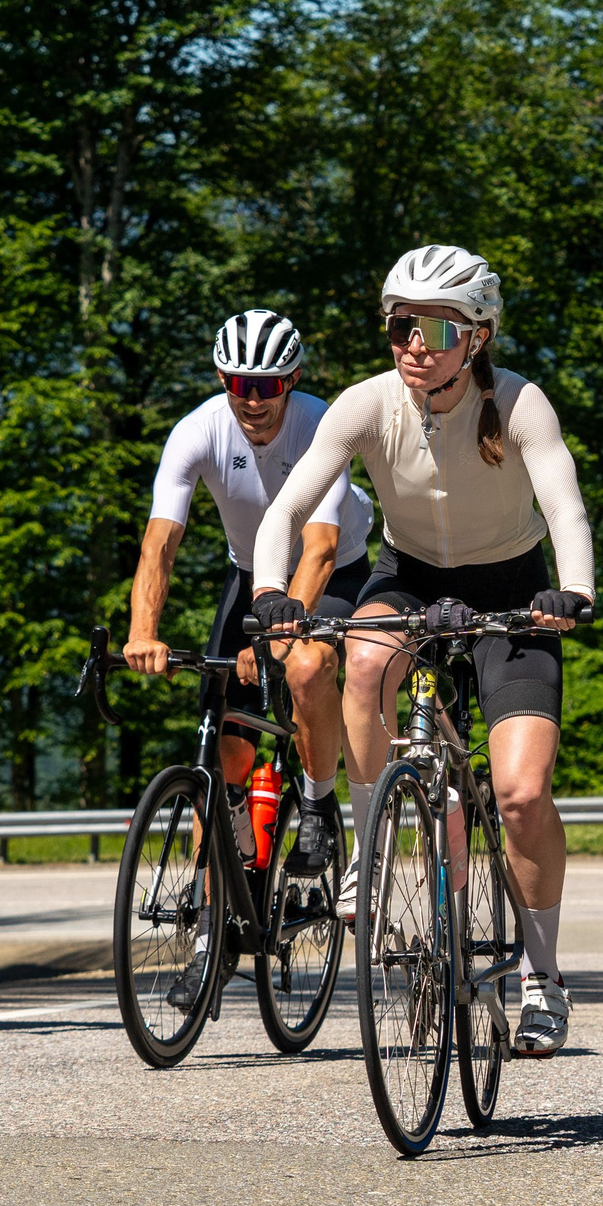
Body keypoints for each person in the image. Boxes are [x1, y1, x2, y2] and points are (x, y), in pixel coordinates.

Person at [249, 245, 594, 1057]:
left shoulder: (518, 404)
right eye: (400, 323)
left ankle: (541, 979)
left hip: (513, 589)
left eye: (434, 326)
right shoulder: (368, 404)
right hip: (409, 577)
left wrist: (571, 590)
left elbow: (566, 503)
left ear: (476, 336)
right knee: (362, 661)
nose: (412, 342)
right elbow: (291, 501)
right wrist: (271, 588)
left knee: (519, 794)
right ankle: (370, 854)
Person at [124, 308, 375, 877]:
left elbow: (321, 549)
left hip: (335, 574)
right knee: (224, 752)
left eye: (267, 386)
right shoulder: (197, 430)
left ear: (292, 380)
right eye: (240, 384)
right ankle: (213, 922)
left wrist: (274, 646)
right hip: (247, 577)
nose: (253, 400)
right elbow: (159, 545)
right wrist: (143, 633)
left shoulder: (320, 425)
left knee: (307, 669)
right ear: (222, 380)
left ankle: (316, 803)